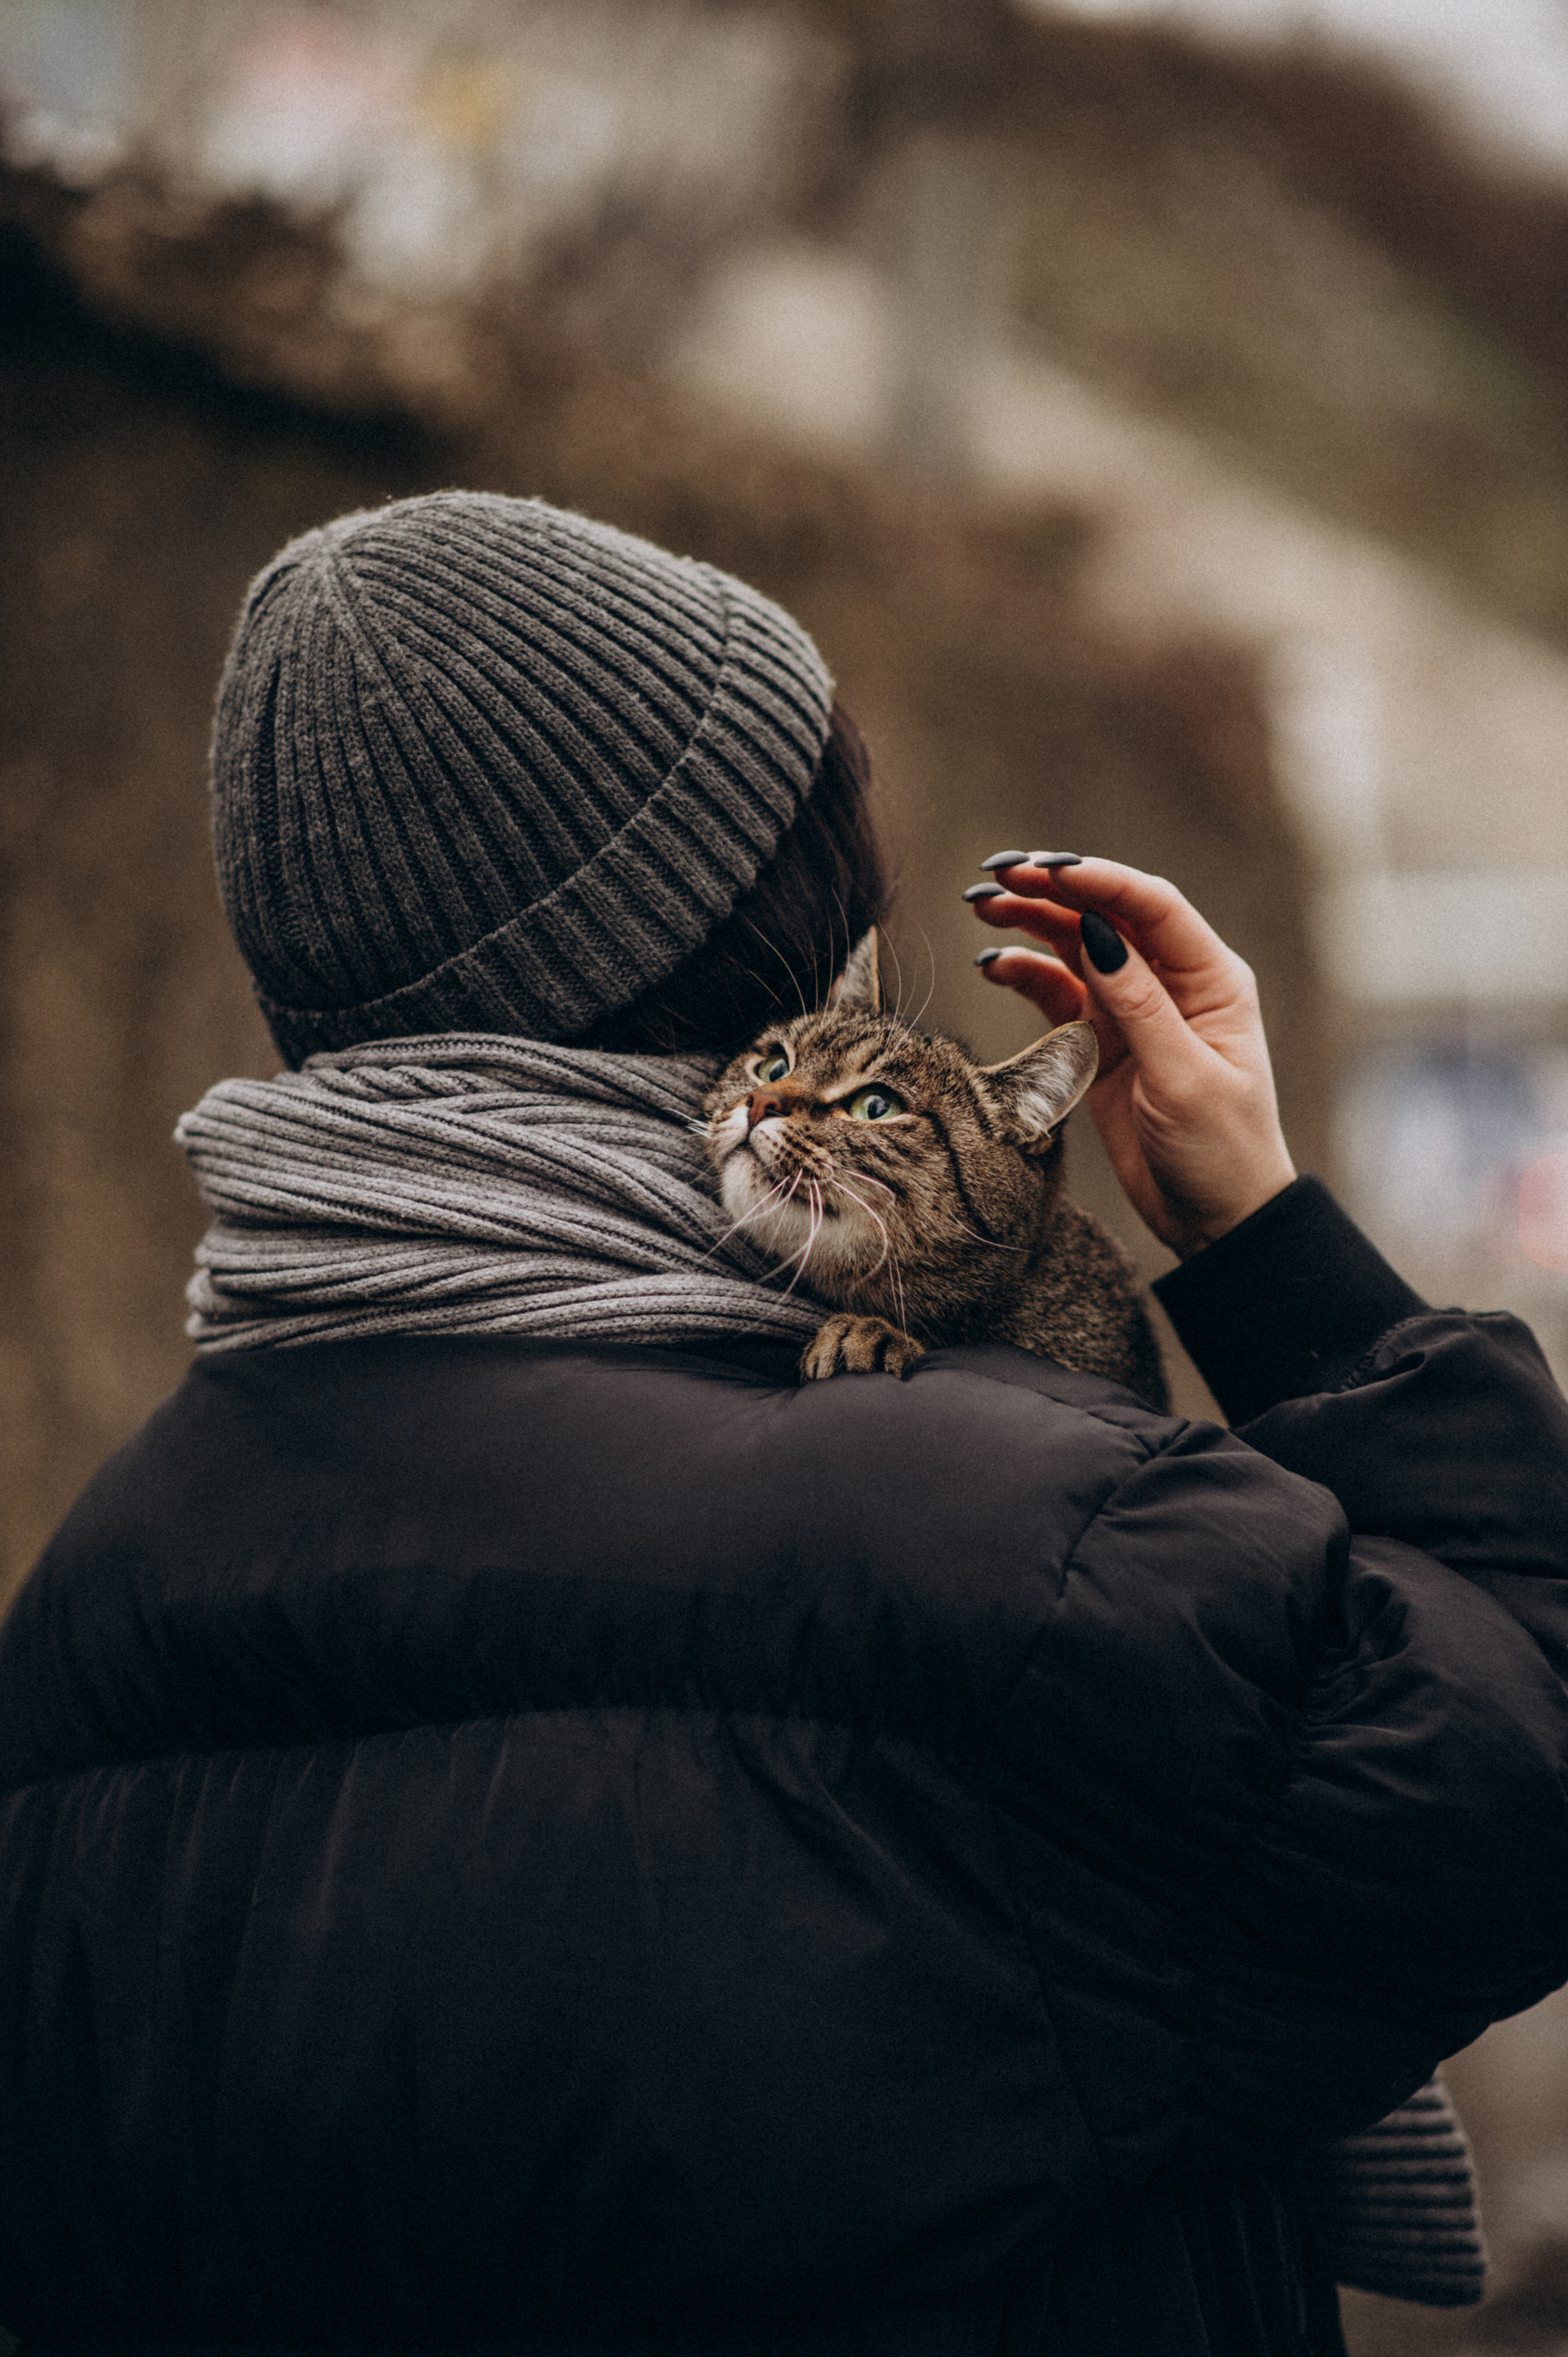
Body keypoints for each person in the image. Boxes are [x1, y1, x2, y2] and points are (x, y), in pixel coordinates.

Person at [2, 491, 1566, 2357]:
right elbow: (1517, 1776)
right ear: (776, 937)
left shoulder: (82, 1622)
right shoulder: (1019, 1537)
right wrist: (1272, 1248)